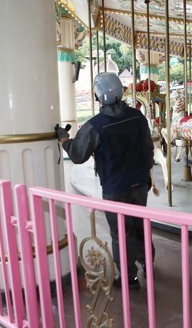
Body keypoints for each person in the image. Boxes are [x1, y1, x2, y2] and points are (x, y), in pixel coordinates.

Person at [56, 72, 155, 289]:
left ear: (97, 96)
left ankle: (129, 277)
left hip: (114, 187)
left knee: (121, 232)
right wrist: (143, 173)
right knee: (140, 226)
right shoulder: (138, 117)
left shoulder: (95, 125)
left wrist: (64, 139)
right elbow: (149, 150)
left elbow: (78, 155)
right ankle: (148, 264)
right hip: (139, 184)